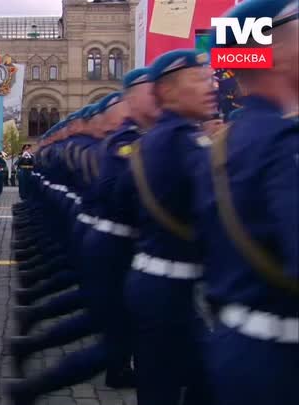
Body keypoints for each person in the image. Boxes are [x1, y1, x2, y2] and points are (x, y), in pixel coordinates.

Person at [195, 2, 298, 404]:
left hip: (237, 348)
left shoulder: (224, 144)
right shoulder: (282, 145)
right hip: (281, 366)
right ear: (274, 52)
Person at [122, 49, 215, 405]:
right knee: (197, 380)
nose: (211, 87)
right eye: (199, 79)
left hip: (156, 282)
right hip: (168, 288)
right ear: (169, 91)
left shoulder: (154, 141)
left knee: (167, 383)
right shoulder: (183, 143)